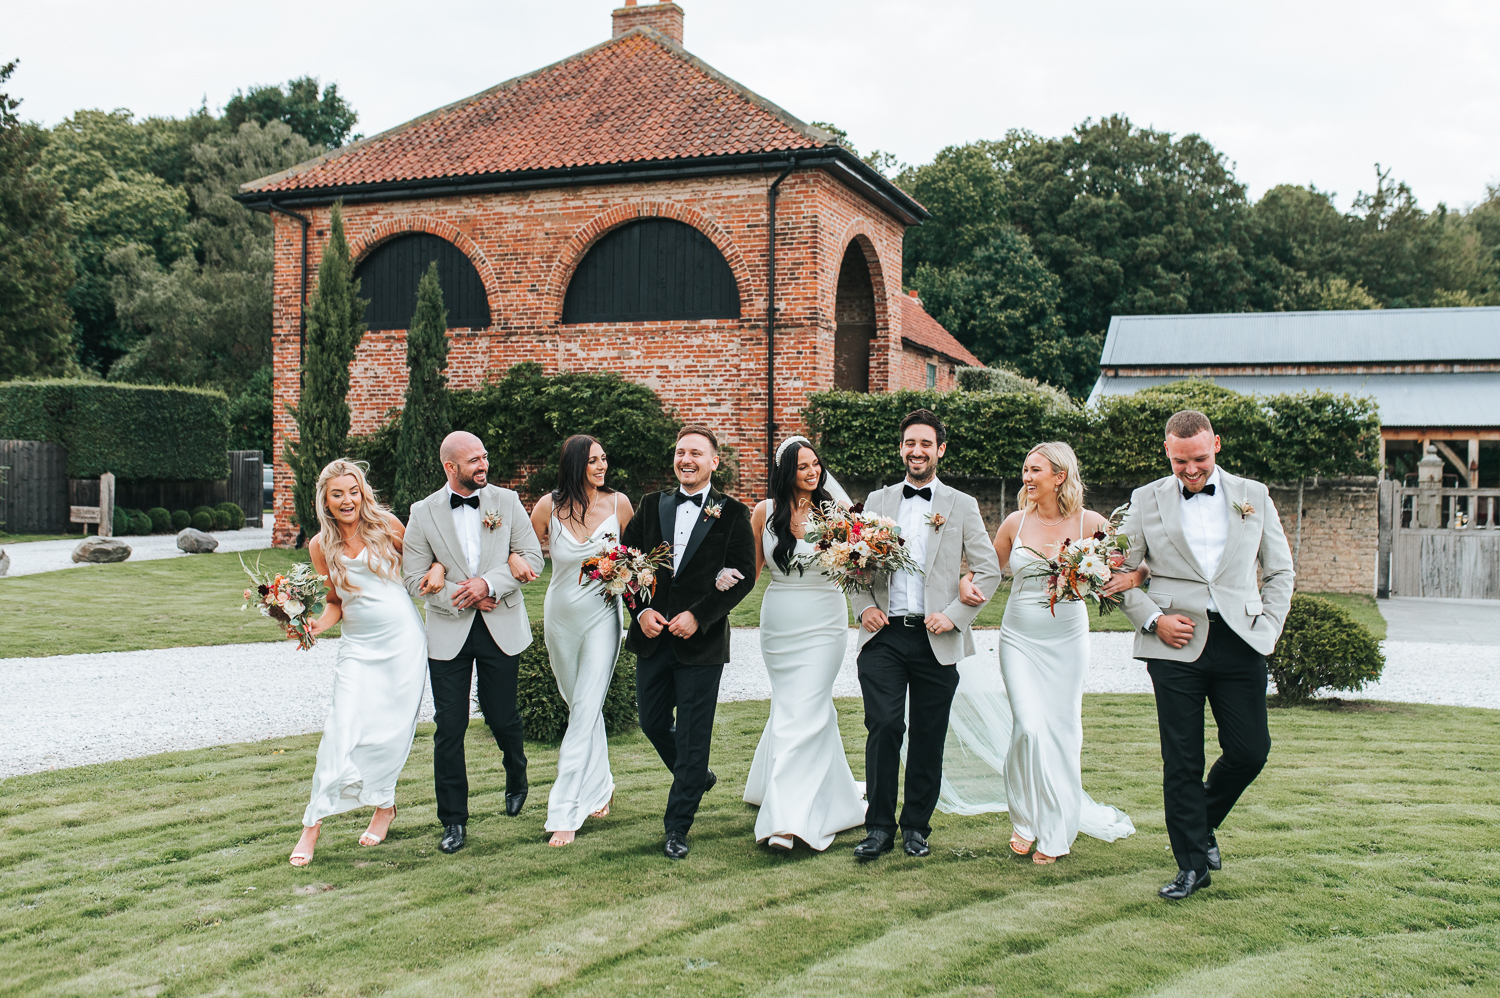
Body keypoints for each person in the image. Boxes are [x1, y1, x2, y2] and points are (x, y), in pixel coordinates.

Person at [1116, 410, 1294, 900]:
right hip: (1174, 643)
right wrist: (1153, 619)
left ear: (1216, 444)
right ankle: (1192, 865)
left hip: (1241, 641)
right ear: (1167, 452)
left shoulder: (1253, 496)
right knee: (1182, 760)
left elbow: (1280, 571)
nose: (1190, 470)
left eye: (1199, 459)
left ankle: (1203, 822)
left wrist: (1269, 628)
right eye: (1179, 461)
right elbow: (1119, 573)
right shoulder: (1145, 499)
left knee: (1250, 750)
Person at [955, 442, 1138, 865]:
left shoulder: (1090, 522)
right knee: (1029, 728)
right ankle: (1024, 819)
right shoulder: (1014, 524)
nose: (1027, 477)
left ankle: (1055, 832)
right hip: (1019, 638)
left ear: (1060, 476)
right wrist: (966, 585)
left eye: (1035, 470)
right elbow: (985, 572)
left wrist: (1105, 575)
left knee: (1062, 732)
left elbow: (1117, 572)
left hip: (1068, 639)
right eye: (1024, 469)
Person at [848, 409, 1003, 862]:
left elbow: (989, 569)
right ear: (902, 448)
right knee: (884, 726)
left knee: (928, 735)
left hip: (938, 638)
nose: (917, 451)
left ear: (940, 450)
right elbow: (852, 562)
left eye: (925, 444)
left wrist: (955, 615)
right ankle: (877, 827)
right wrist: (865, 608)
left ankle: (916, 826)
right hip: (885, 638)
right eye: (909, 443)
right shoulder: (876, 501)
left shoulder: (961, 504)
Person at [289, 459, 438, 867]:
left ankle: (384, 806)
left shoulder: (385, 525)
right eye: (338, 494)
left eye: (353, 491)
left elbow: (425, 562)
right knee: (341, 728)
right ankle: (312, 825)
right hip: (358, 647)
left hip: (403, 642)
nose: (347, 500)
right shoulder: (320, 545)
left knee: (390, 732)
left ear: (362, 492)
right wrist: (315, 626)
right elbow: (335, 602)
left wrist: (439, 568)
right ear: (325, 500)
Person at [401, 430, 544, 855]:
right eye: (474, 461)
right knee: (450, 728)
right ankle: (453, 821)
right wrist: (461, 596)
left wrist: (488, 585)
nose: (483, 466)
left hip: (500, 622)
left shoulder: (508, 502)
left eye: (485, 458)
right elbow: (412, 577)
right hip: (449, 630)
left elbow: (533, 558)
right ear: (450, 468)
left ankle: (516, 773)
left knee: (502, 717)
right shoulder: (423, 512)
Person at [617, 425, 757, 860]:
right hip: (653, 638)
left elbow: (744, 576)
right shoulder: (651, 505)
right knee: (653, 721)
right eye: (680, 452)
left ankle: (677, 827)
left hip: (702, 644)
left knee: (695, 738)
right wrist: (640, 611)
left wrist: (699, 616)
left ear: (714, 461)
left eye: (696, 453)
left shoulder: (732, 512)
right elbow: (622, 563)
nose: (686, 460)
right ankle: (696, 776)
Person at [742, 435, 865, 851]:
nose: (812, 473)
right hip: (779, 623)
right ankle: (829, 795)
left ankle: (787, 820)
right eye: (802, 467)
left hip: (825, 621)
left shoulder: (837, 511)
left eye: (816, 464)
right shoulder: (764, 513)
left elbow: (859, 567)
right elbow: (750, 571)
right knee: (793, 706)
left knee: (807, 706)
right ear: (785, 472)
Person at [529, 435, 635, 847]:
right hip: (560, 616)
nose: (601, 466)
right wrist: (519, 562)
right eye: (593, 461)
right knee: (579, 706)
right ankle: (601, 783)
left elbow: (639, 553)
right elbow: (524, 550)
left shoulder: (619, 504)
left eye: (604, 459)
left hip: (603, 617)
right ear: (575, 464)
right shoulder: (547, 507)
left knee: (587, 705)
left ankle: (565, 811)